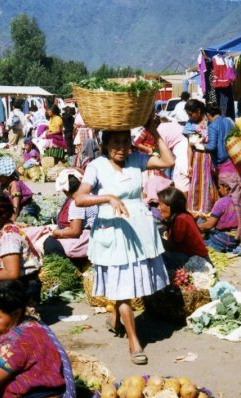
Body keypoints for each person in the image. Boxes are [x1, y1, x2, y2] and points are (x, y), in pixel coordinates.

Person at [74, 125, 175, 365]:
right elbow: (79, 197)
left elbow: (168, 161)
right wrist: (108, 197)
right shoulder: (96, 166)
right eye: (115, 143)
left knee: (128, 282)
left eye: (124, 142)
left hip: (139, 228)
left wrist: (154, 130)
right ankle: (134, 342)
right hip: (113, 230)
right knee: (123, 287)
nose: (121, 148)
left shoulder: (136, 159)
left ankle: (115, 320)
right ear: (105, 146)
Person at [27, 169, 96, 259]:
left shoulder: (76, 202)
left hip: (91, 237)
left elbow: (75, 231)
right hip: (98, 231)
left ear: (65, 191)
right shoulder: (91, 193)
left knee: (50, 243)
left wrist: (58, 233)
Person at [157, 186, 209, 269]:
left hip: (197, 260)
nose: (158, 208)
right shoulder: (185, 216)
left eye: (160, 204)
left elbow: (173, 245)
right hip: (197, 256)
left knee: (159, 255)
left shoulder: (181, 219)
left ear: (171, 205)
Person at [199, 172, 241, 253]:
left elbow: (209, 225)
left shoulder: (223, 202)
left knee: (200, 223)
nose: (219, 190)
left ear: (226, 187)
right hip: (235, 242)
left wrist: (196, 227)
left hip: (220, 242)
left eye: (219, 187)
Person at [184, 99, 218, 215]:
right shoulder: (190, 124)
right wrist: (189, 164)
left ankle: (208, 209)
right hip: (197, 157)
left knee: (208, 182)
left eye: (191, 114)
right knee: (196, 183)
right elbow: (189, 147)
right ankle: (196, 210)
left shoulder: (210, 120)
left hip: (209, 156)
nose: (190, 117)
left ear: (198, 111)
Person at [204, 101, 237, 177]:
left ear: (208, 115)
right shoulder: (228, 120)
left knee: (225, 187)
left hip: (223, 162)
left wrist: (202, 145)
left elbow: (212, 146)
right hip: (233, 157)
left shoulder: (212, 126)